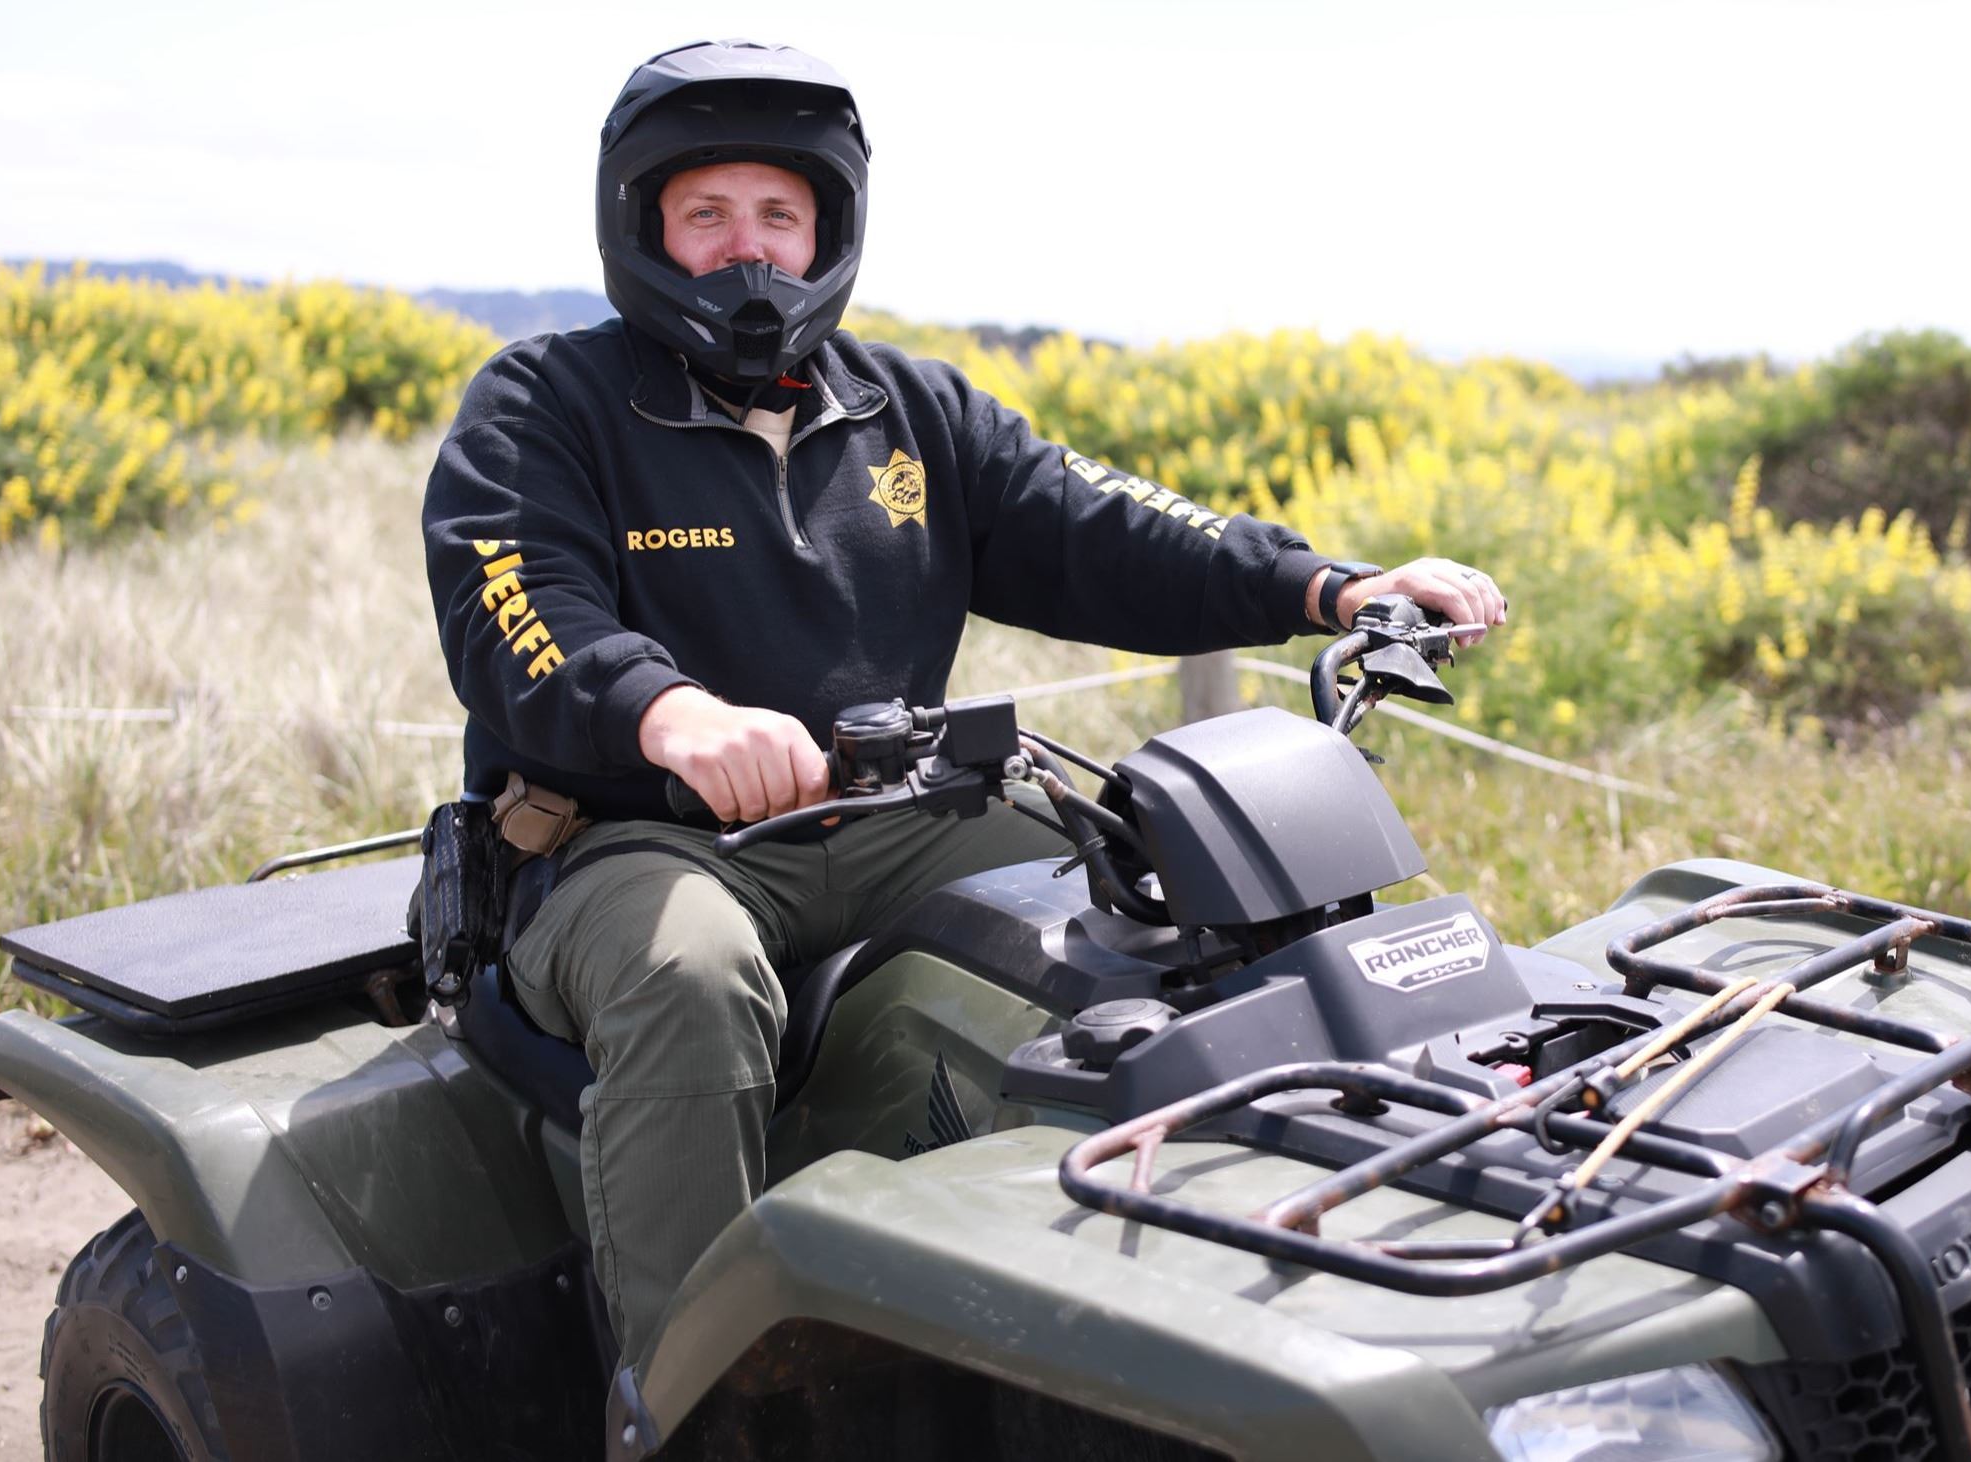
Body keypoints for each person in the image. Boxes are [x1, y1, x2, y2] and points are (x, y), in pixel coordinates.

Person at [420, 38, 1509, 1361]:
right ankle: (692, 1388)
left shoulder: (908, 409)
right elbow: (512, 606)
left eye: (780, 213)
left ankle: (1238, 1296)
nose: (747, 249)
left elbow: (1099, 526)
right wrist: (667, 712)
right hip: (625, 842)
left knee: (1160, 905)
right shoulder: (548, 402)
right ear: (643, 228)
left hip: (890, 818)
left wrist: (1323, 584)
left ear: (828, 231)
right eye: (708, 215)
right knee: (690, 980)